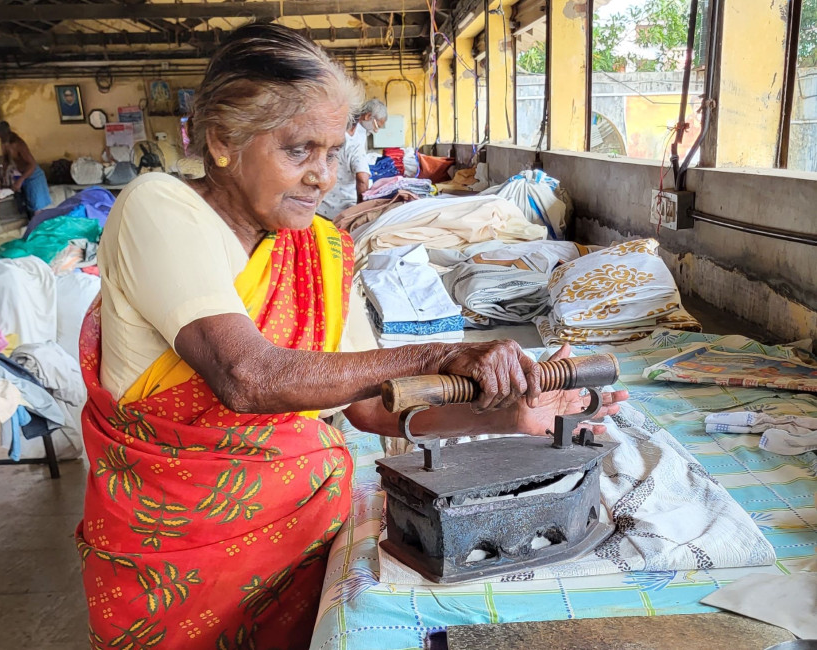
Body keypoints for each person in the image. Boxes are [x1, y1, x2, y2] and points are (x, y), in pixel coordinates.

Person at [76, 24, 627, 650]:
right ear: (221, 141)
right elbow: (248, 377)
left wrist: (508, 417)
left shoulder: (317, 251)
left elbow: (368, 405)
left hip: (306, 544)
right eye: (299, 150)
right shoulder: (159, 208)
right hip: (178, 565)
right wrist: (443, 352)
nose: (322, 175)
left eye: (333, 151)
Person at [317, 98, 388, 219]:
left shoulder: (336, 136)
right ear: (367, 116)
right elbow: (362, 178)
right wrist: (361, 209)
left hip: (324, 203)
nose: (375, 130)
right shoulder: (353, 144)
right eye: (376, 125)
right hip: (341, 207)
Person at [0, 121, 52, 216]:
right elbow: (6, 160)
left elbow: (32, 164)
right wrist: (4, 175)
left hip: (33, 176)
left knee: (37, 209)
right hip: (22, 174)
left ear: (7, 132)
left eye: (2, 136)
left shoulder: (18, 144)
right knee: (27, 207)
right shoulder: (4, 143)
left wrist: (21, 180)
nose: (1, 138)